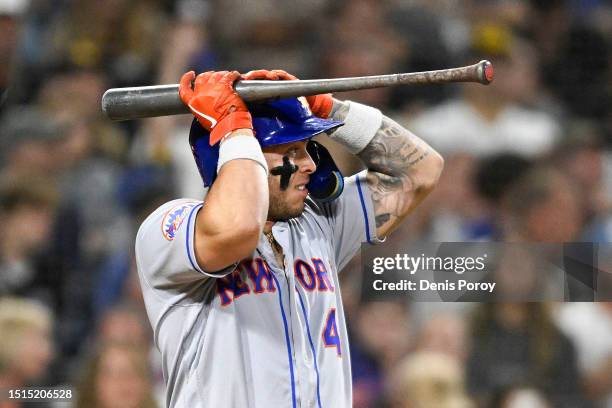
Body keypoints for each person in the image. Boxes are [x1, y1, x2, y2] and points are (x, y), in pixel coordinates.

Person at [135, 69, 443, 407]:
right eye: (291, 152)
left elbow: (420, 170)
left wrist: (325, 106)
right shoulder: (170, 228)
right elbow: (236, 229)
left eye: (307, 148)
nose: (310, 164)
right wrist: (234, 128)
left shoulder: (318, 223)